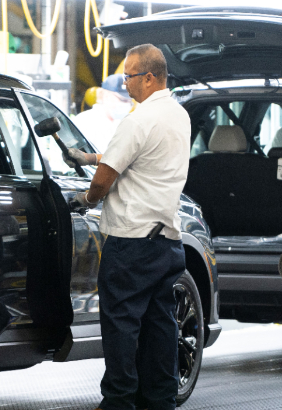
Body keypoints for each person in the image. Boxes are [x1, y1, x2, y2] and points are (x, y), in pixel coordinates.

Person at [64, 44, 191, 410]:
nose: (126, 84)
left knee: (121, 328)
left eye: (129, 76)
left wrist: (86, 200)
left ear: (149, 77)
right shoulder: (177, 116)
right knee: (161, 328)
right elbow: (139, 152)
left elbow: (104, 181)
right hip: (166, 244)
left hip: (132, 246)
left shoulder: (137, 120)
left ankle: (119, 403)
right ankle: (160, 401)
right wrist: (88, 156)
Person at [72, 74, 134, 153]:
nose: (127, 105)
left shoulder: (126, 125)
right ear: (106, 96)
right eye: (123, 100)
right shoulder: (84, 122)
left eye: (130, 102)